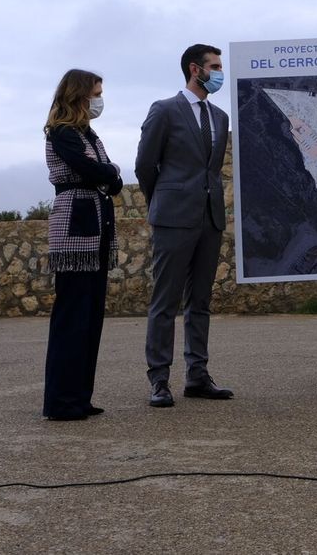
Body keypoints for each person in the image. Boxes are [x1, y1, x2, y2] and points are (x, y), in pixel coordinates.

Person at [135, 43, 233, 407]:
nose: (220, 72)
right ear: (196, 69)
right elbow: (145, 165)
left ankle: (197, 375)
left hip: (209, 218)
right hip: (173, 218)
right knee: (165, 302)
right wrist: (160, 201)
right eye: (215, 66)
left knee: (201, 301)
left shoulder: (220, 117)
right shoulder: (164, 110)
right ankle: (159, 380)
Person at [42, 69, 124, 421]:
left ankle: (80, 395)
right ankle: (61, 401)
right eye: (96, 93)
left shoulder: (87, 134)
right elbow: (100, 172)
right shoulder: (62, 133)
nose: (99, 100)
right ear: (79, 95)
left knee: (90, 317)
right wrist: (109, 172)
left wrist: (108, 173)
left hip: (97, 223)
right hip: (75, 228)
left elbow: (108, 175)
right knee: (72, 316)